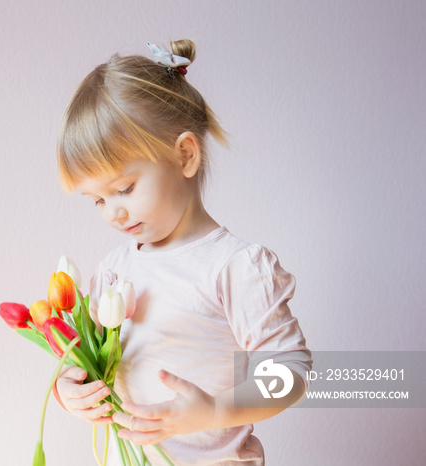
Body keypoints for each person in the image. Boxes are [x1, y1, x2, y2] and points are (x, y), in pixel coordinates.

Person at [52, 40, 311, 465]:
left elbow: (293, 372)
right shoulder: (114, 272)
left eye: (124, 189)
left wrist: (215, 410)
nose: (112, 212)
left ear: (185, 155)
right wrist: (69, 388)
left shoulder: (233, 267)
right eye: (96, 200)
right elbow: (88, 358)